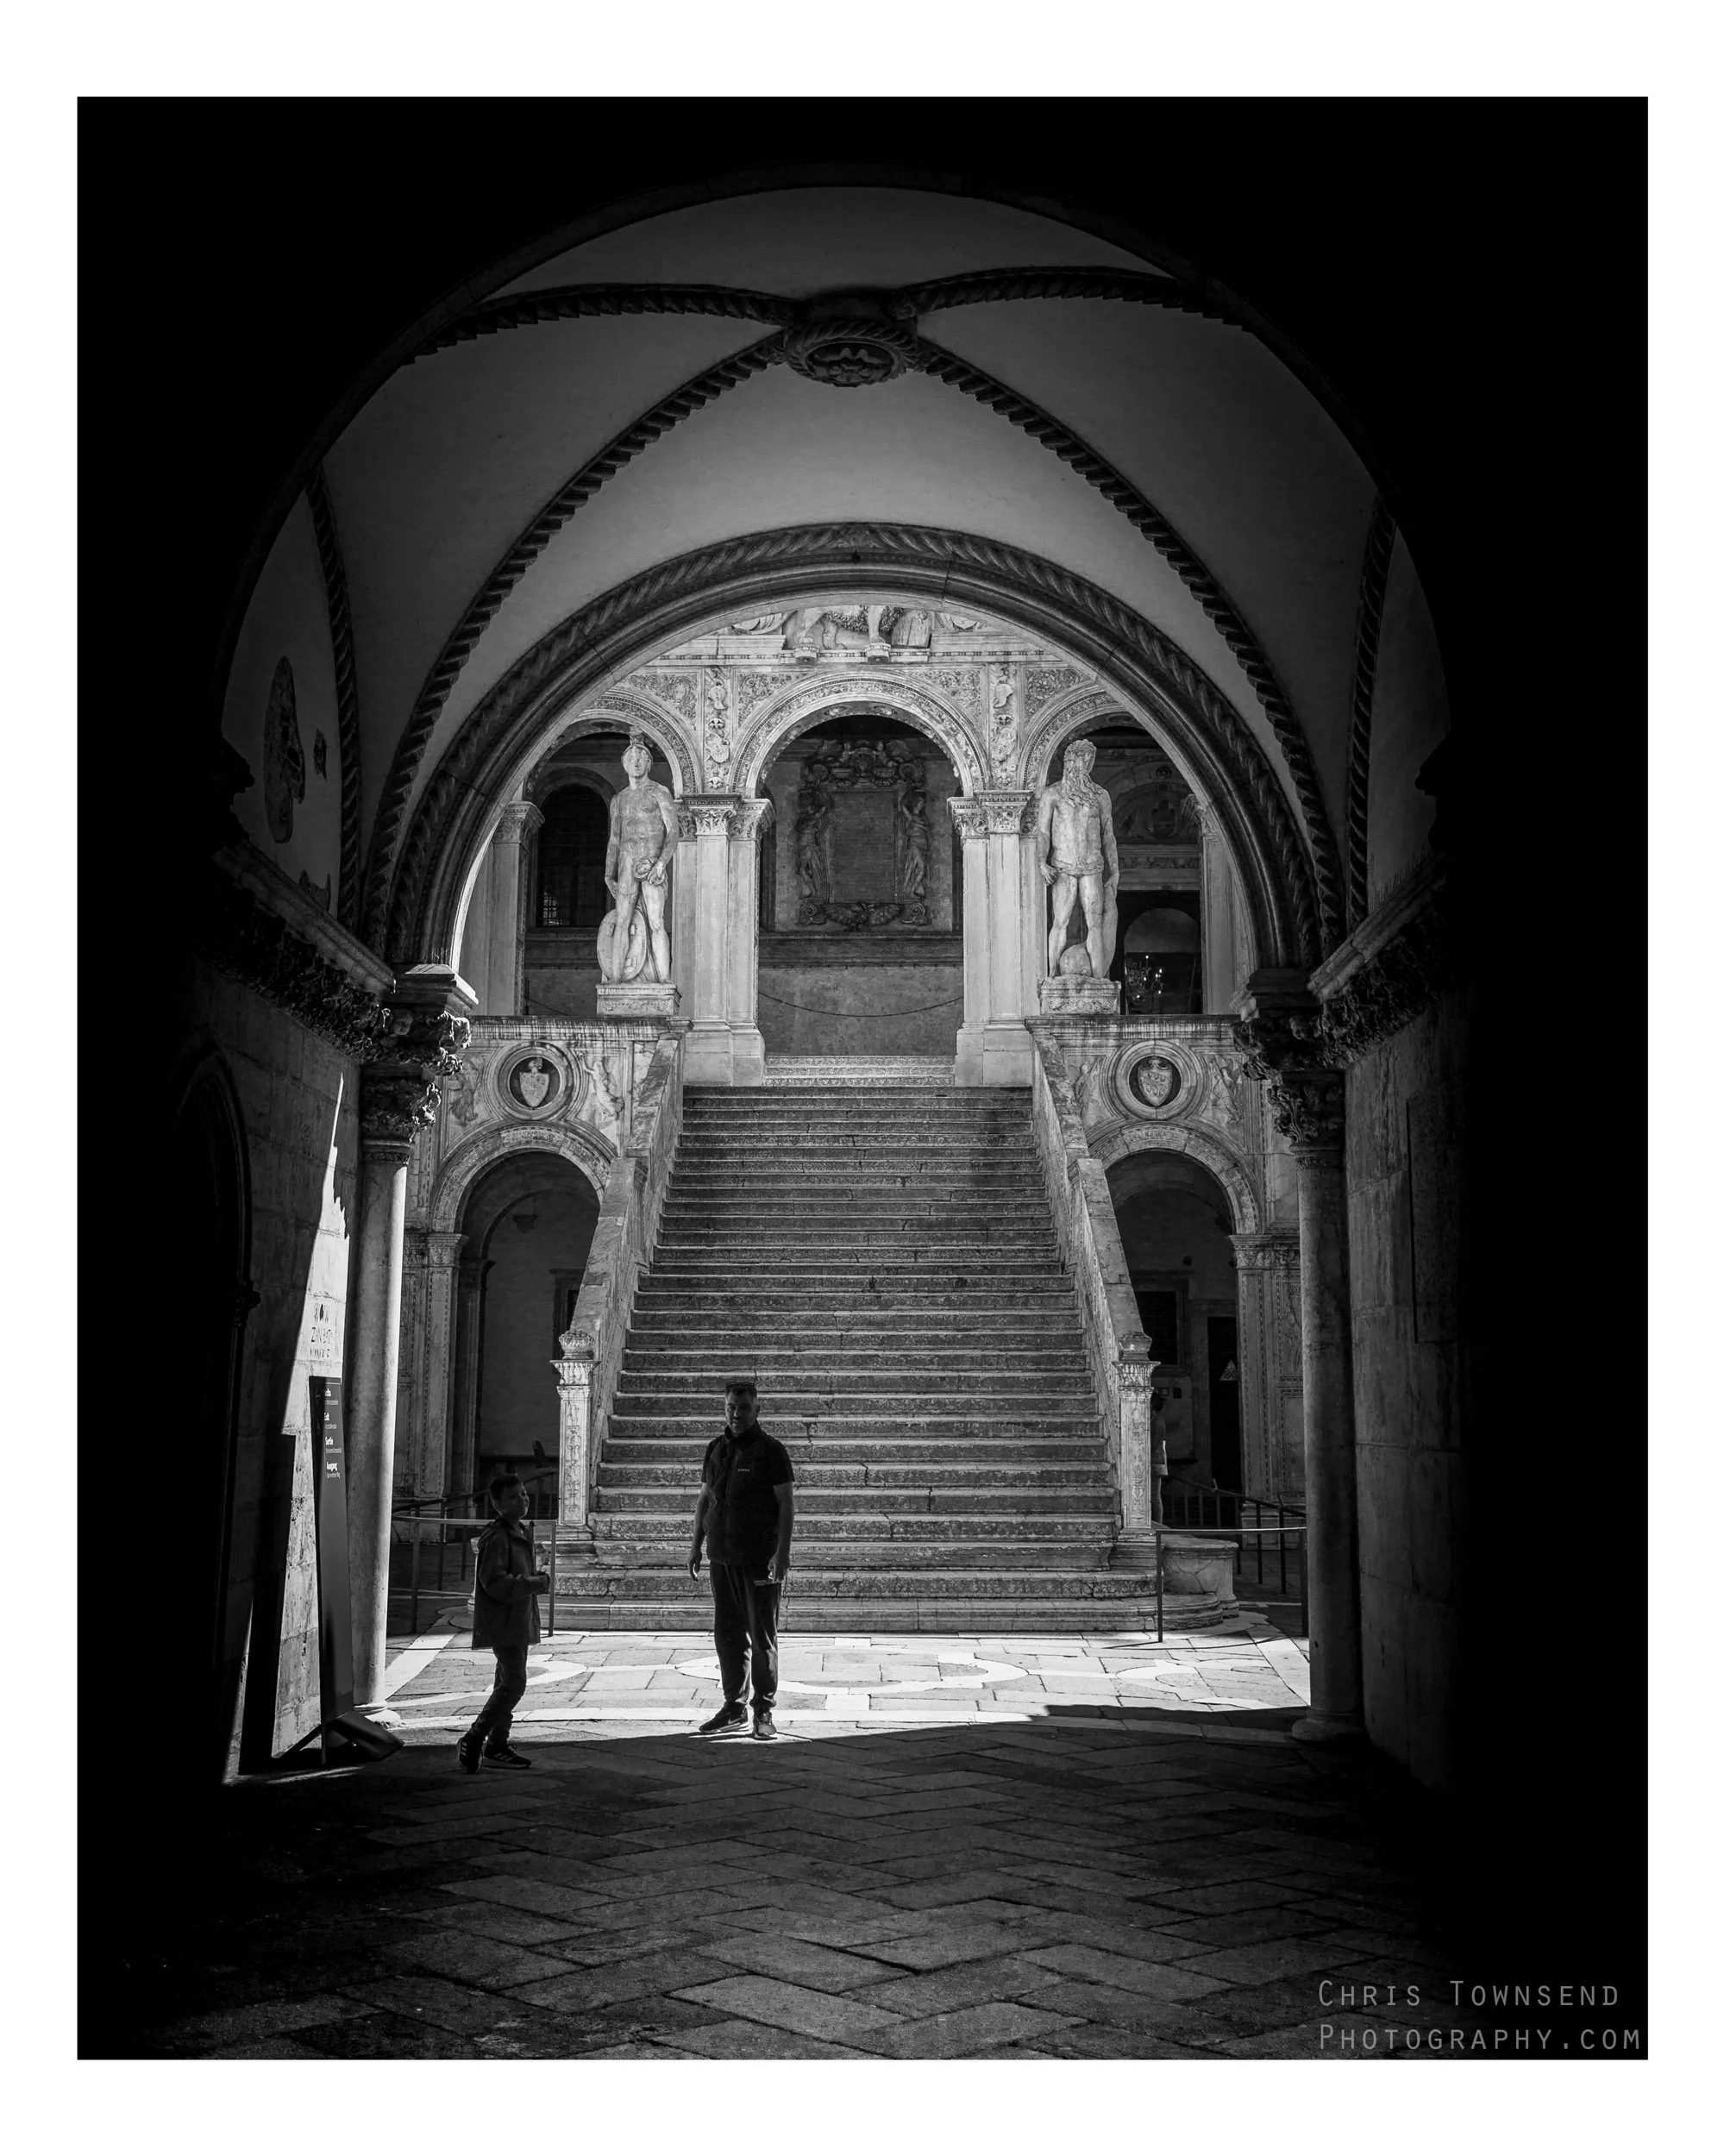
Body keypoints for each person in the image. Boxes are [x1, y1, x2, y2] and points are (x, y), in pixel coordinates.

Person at [687, 1380, 794, 1739]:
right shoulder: (716, 1449)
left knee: (762, 1636)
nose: (737, 1413)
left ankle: (763, 1710)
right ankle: (734, 1706)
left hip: (759, 1558)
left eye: (744, 1407)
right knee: (728, 1636)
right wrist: (696, 1544)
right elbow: (705, 1499)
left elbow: (786, 1505)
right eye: (731, 1406)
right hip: (722, 1555)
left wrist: (783, 1553)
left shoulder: (771, 1451)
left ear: (757, 1410)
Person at [455, 1474, 551, 1773]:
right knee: (514, 1683)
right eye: (513, 1497)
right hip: (503, 1620)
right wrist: (536, 1582)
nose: (522, 1499)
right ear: (497, 1504)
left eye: (524, 1494)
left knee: (505, 1681)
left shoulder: (519, 1530)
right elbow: (494, 1582)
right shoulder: (497, 1537)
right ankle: (474, 1737)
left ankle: (498, 1743)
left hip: (518, 1618)